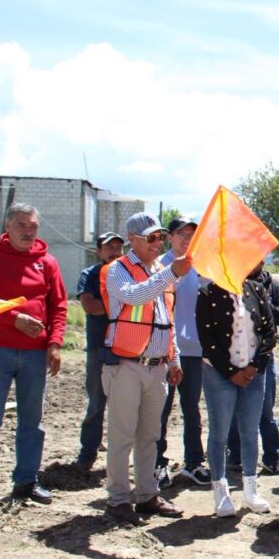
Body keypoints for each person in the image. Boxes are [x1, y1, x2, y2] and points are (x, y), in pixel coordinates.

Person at [0, 202, 67, 507]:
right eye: (21, 225)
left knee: (31, 420)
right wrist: (14, 319)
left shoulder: (47, 263)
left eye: (33, 226)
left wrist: (55, 343)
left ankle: (26, 481)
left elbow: (58, 306)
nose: (28, 232)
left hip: (35, 354)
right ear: (7, 226)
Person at [100, 212, 188, 525]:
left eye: (159, 237)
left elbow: (167, 321)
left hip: (156, 368)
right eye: (150, 237)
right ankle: (118, 499)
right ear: (132, 239)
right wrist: (171, 274)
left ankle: (147, 495)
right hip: (126, 366)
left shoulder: (161, 272)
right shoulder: (118, 269)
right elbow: (133, 297)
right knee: (122, 436)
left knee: (150, 436)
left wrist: (174, 359)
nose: (157, 242)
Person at [197, 270, 277, 517]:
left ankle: (251, 490)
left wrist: (254, 366)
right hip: (218, 373)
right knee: (219, 433)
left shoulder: (256, 290)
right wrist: (231, 372)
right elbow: (207, 338)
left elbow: (269, 332)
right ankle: (221, 491)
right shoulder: (207, 293)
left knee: (250, 432)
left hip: (253, 373)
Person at [157, 216, 210, 488]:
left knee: (192, 410)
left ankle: (193, 463)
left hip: (194, 350)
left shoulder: (201, 267)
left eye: (192, 234)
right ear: (170, 237)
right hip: (165, 350)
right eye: (182, 234)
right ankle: (157, 464)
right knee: (160, 411)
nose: (187, 239)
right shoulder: (160, 266)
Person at [225, 261, 279, 475]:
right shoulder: (230, 282)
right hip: (235, 356)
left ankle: (272, 458)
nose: (254, 261)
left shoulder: (273, 285)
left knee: (265, 409)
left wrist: (258, 299)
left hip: (264, 356)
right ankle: (235, 455)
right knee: (234, 408)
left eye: (259, 257)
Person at [75, 231, 125, 470]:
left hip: (126, 349)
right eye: (109, 247)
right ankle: (88, 453)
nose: (114, 252)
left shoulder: (129, 274)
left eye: (118, 247)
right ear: (98, 251)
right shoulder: (90, 275)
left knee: (124, 406)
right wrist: (123, 302)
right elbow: (90, 306)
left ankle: (120, 456)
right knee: (96, 403)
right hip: (98, 348)